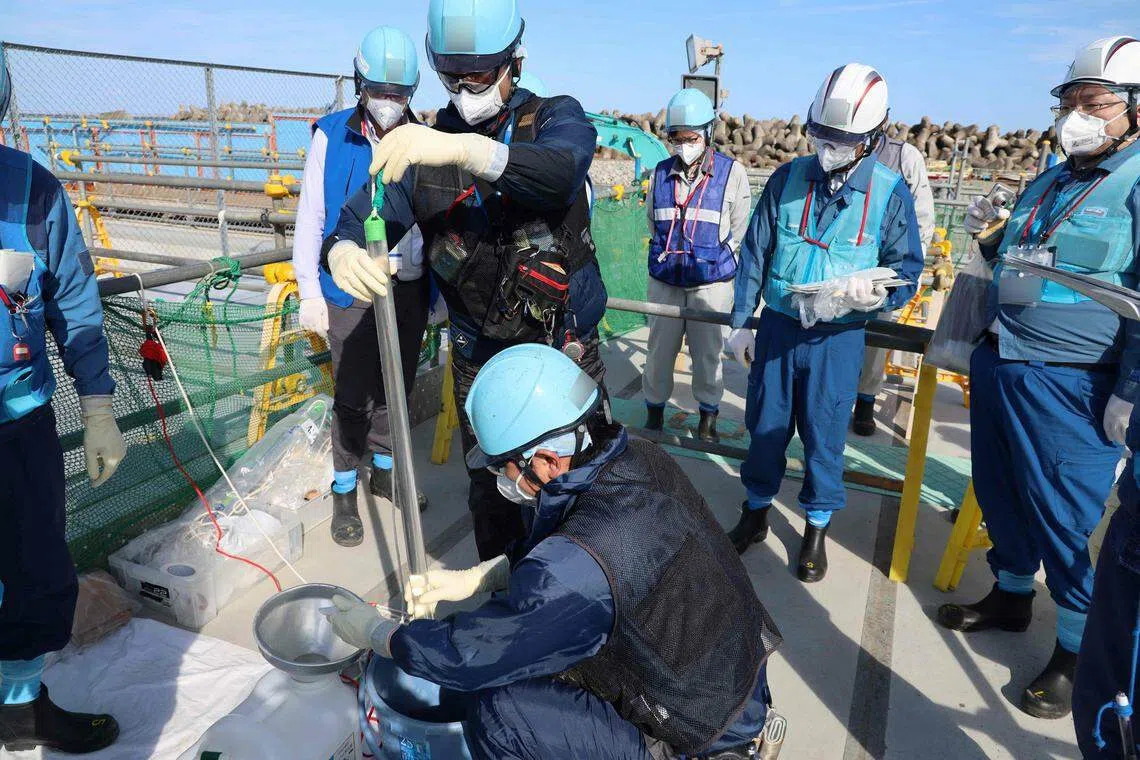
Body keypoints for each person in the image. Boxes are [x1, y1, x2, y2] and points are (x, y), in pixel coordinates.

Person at [322, 344, 782, 760]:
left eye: (505, 465)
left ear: (545, 459)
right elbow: (592, 559)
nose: (502, 477)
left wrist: (380, 634)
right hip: (729, 684)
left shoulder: (575, 567)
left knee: (500, 710)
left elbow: (470, 656)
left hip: (695, 735)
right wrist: (489, 575)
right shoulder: (637, 457)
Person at [325, 0, 608, 561]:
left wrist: (465, 149)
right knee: (493, 493)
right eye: (451, 75)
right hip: (479, 356)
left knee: (579, 491)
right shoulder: (422, 147)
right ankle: (502, 598)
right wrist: (341, 248)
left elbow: (560, 171)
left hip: (559, 349)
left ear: (512, 62)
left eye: (477, 74)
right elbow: (361, 213)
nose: (463, 87)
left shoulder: (554, 117)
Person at [938, 36, 1140, 721]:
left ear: (1135, 111)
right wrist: (992, 239)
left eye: (1094, 103)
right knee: (1002, 493)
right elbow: (1024, 262)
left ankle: (1078, 649)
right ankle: (1012, 594)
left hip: (1077, 383)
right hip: (1005, 363)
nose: (1076, 116)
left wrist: (1130, 390)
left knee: (1068, 517)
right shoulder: (1050, 180)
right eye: (1069, 103)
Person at [724, 62, 922, 581]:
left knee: (824, 434)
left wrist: (871, 297)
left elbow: (907, 272)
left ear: (872, 138)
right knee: (765, 426)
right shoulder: (788, 179)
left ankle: (815, 528)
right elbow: (755, 251)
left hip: (839, 339)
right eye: (822, 134)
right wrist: (742, 321)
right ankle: (756, 513)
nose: (829, 145)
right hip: (779, 329)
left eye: (842, 138)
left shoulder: (889, 192)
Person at [0, 55, 125, 753]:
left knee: (35, 569)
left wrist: (100, 406)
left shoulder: (34, 191)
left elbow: (75, 305)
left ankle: (19, 710)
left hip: (19, 421)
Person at [292, 25, 431, 548]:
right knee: (351, 394)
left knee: (397, 390)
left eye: (400, 95)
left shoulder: (421, 138)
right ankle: (346, 487)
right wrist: (309, 289)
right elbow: (311, 219)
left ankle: (388, 470)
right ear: (360, 85)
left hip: (408, 287)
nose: (390, 103)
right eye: (381, 92)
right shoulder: (331, 134)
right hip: (348, 287)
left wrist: (434, 291)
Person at [642, 89, 752, 443]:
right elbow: (651, 221)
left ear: (707, 134)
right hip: (666, 281)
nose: (684, 145)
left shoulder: (733, 173)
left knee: (708, 356)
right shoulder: (659, 173)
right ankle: (654, 413)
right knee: (659, 352)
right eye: (677, 139)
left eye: (691, 138)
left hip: (711, 283)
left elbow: (739, 228)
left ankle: (708, 416)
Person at [851, 125, 936, 436]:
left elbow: (923, 216)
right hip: (843, 262)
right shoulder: (837, 148)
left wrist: (907, 269)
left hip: (883, 267)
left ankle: (865, 401)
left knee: (874, 337)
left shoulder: (905, 156)